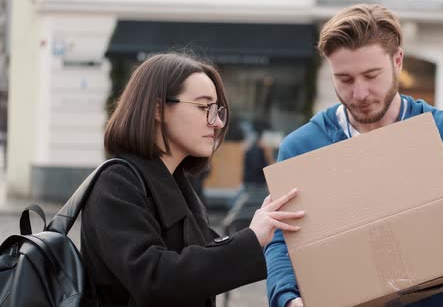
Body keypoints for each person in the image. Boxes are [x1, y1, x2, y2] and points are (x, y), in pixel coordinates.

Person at [264, 4, 443, 307]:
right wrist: (286, 298)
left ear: (398, 61)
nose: (360, 93)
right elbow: (283, 240)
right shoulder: (303, 148)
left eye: (371, 75)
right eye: (345, 80)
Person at [81, 53, 305, 307]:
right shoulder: (117, 183)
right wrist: (251, 238)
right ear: (157, 108)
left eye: (217, 110)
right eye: (203, 107)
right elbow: (154, 280)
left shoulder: (177, 184)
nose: (217, 122)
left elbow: (204, 261)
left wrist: (263, 234)